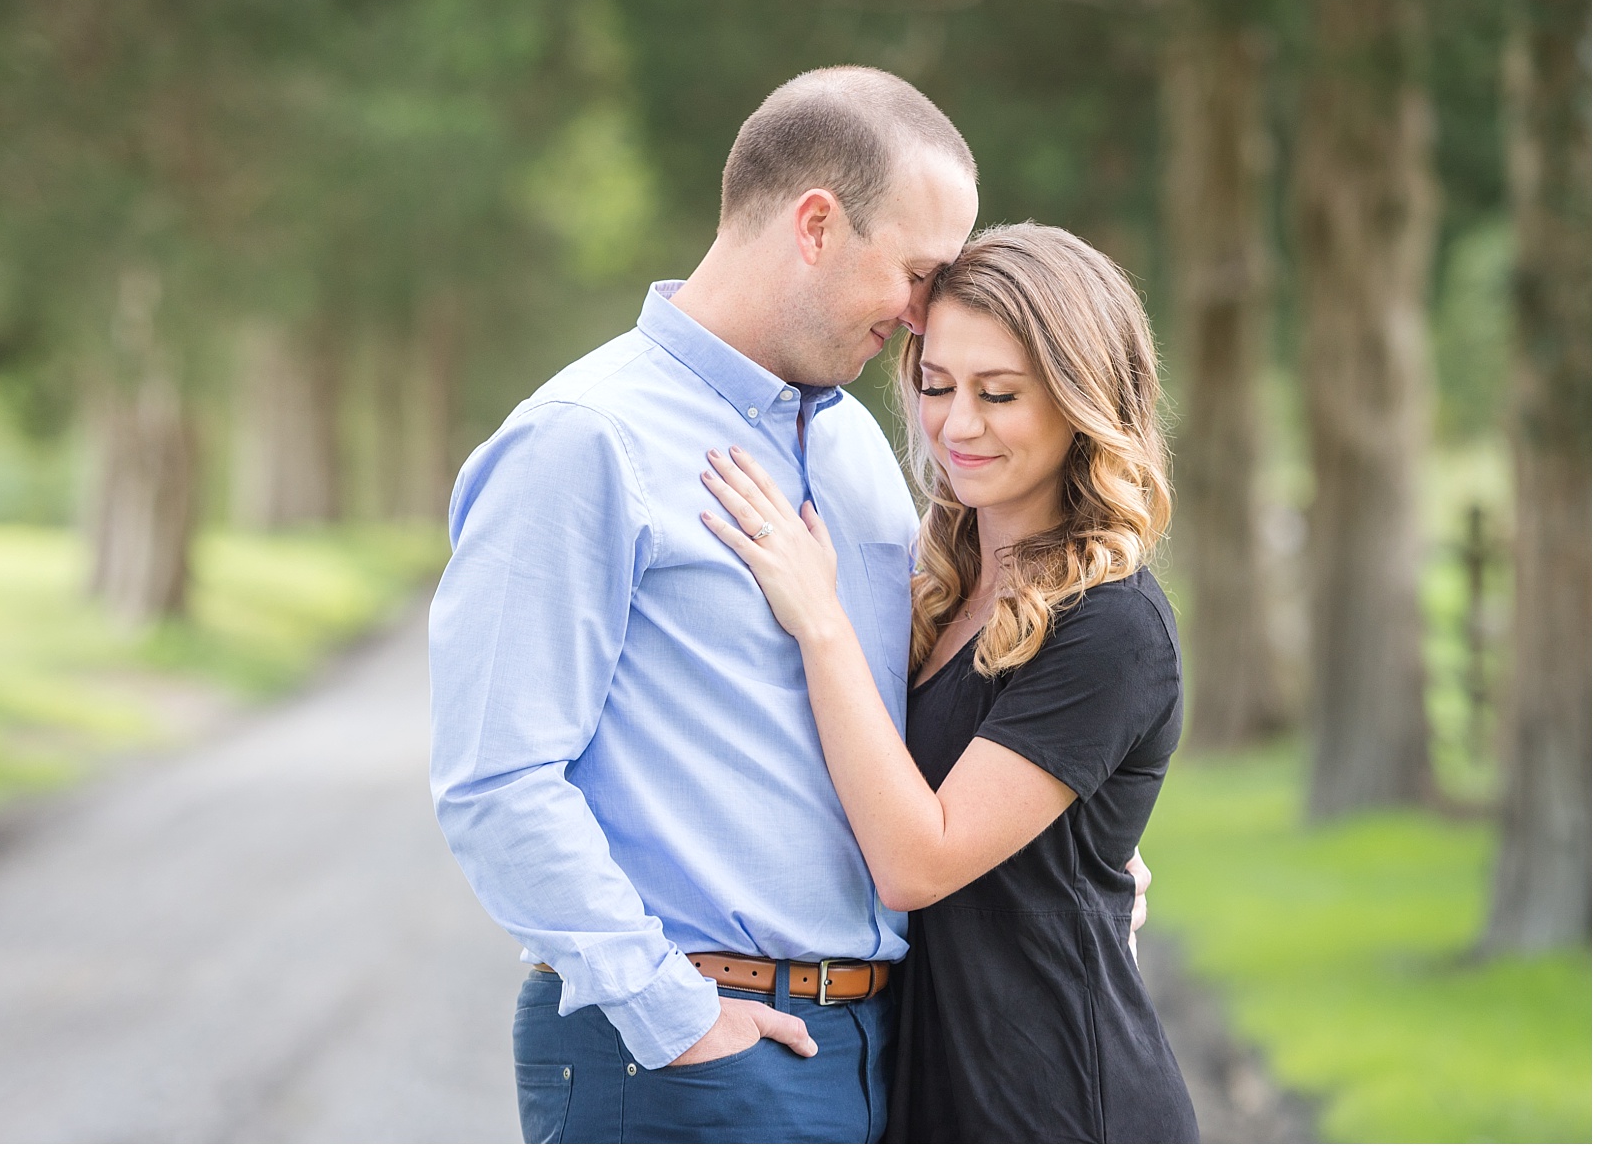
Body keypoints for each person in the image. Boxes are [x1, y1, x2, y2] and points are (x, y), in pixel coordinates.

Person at [429, 69, 1147, 1143]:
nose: (921, 319)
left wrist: (1074, 843)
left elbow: (907, 702)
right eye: (915, 272)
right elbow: (495, 779)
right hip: (693, 1058)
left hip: (879, 1053)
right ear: (816, 224)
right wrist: (673, 1017)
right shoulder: (585, 440)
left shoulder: (856, 444)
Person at [698, 222, 1199, 1142]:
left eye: (999, 393)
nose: (957, 424)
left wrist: (820, 621)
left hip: (1053, 1100)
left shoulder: (1112, 624)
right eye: (936, 385)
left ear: (1082, 400)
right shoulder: (940, 588)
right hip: (928, 1084)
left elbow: (917, 860)